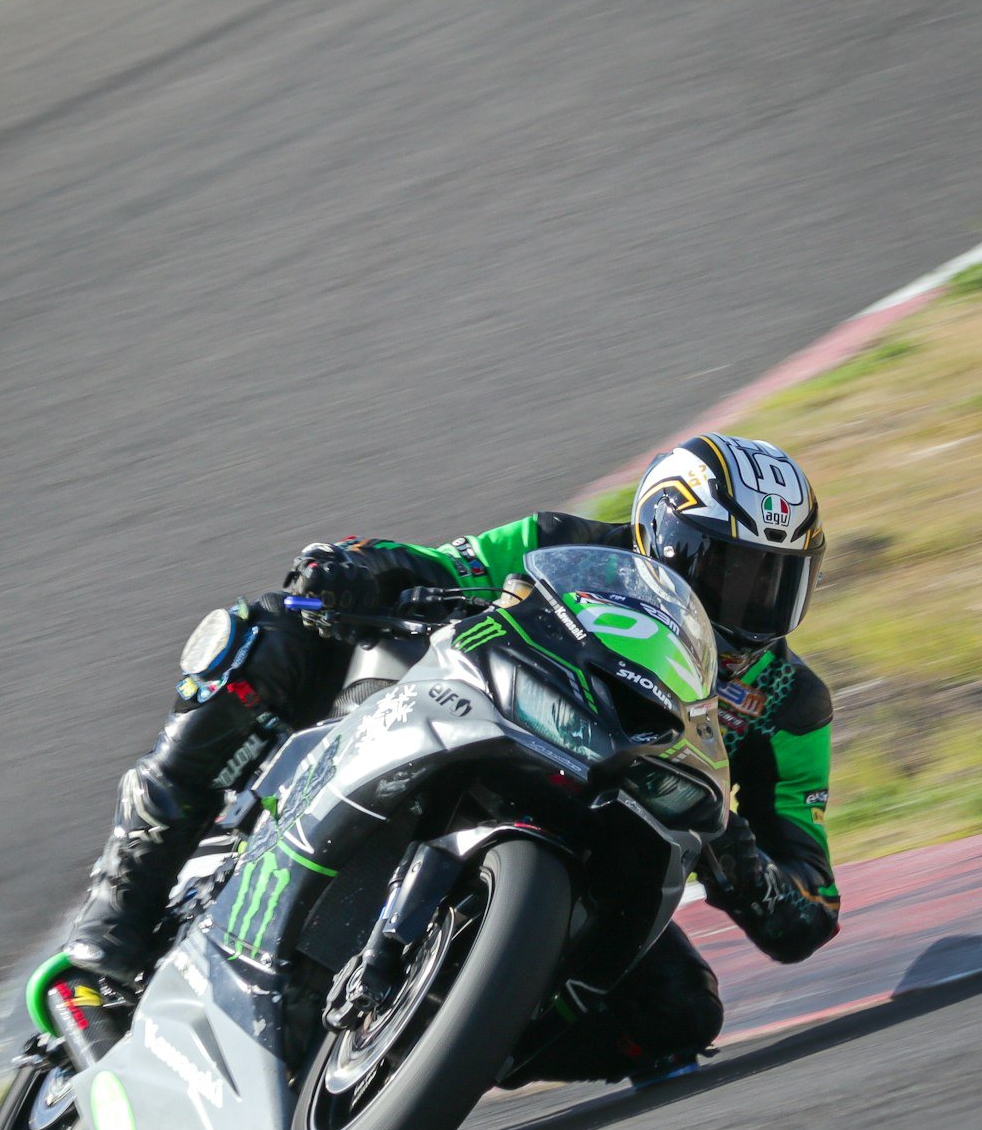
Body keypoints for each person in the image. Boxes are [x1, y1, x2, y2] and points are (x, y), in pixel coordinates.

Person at [55, 433, 839, 1082]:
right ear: (664, 539)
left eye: (777, 580)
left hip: (607, 847)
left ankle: (438, 1048)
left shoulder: (789, 705)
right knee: (268, 632)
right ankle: (116, 914)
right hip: (487, 731)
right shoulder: (566, 546)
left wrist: (735, 851)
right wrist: (357, 567)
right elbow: (445, 566)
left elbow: (809, 909)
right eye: (733, 570)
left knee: (679, 1014)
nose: (753, 601)